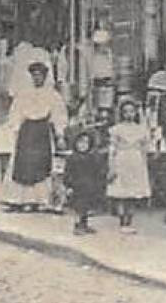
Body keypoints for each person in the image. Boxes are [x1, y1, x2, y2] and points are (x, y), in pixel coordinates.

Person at [1, 60, 67, 210]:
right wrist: (15, 130)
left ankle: (41, 200)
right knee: (23, 164)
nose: (37, 78)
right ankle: (20, 200)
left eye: (40, 75)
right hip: (26, 131)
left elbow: (59, 115)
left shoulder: (52, 95)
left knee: (42, 165)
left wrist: (60, 134)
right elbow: (15, 113)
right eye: (34, 75)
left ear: (45, 76)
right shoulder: (24, 94)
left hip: (42, 131)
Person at [107, 98, 151, 232]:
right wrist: (111, 166)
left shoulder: (141, 129)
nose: (129, 114)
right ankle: (122, 222)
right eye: (126, 112)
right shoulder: (117, 129)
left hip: (136, 161)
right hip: (122, 159)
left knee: (133, 193)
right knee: (121, 192)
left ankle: (129, 221)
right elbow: (112, 149)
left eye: (132, 111)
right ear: (121, 113)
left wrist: (144, 164)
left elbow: (144, 148)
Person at [63, 129, 106, 235]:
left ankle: (84, 224)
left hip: (89, 186)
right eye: (80, 142)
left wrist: (99, 183)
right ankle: (78, 226)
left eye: (86, 143)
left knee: (86, 207)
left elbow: (96, 172)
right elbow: (68, 173)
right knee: (78, 208)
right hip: (77, 187)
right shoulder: (72, 158)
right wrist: (68, 186)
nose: (83, 145)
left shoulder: (92, 158)